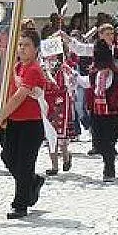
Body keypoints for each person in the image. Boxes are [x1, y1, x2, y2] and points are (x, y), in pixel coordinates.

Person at [0, 28, 47, 218]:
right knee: (8, 157)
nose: (22, 49)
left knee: (24, 164)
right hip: (14, 121)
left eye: (27, 45)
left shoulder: (33, 69)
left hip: (32, 124)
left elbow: (18, 97)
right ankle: (32, 182)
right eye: (20, 45)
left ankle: (20, 204)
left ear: (36, 49)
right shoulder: (17, 67)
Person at [79, 39, 118, 183]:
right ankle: (109, 158)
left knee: (108, 141)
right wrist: (72, 74)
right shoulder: (94, 74)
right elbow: (85, 82)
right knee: (99, 142)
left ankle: (109, 167)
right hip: (97, 112)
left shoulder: (116, 75)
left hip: (112, 113)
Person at [42, 47, 76, 176]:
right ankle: (54, 166)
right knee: (50, 135)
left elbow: (72, 79)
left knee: (60, 133)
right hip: (47, 101)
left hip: (60, 100)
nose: (50, 56)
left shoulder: (63, 67)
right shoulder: (42, 67)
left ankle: (66, 157)